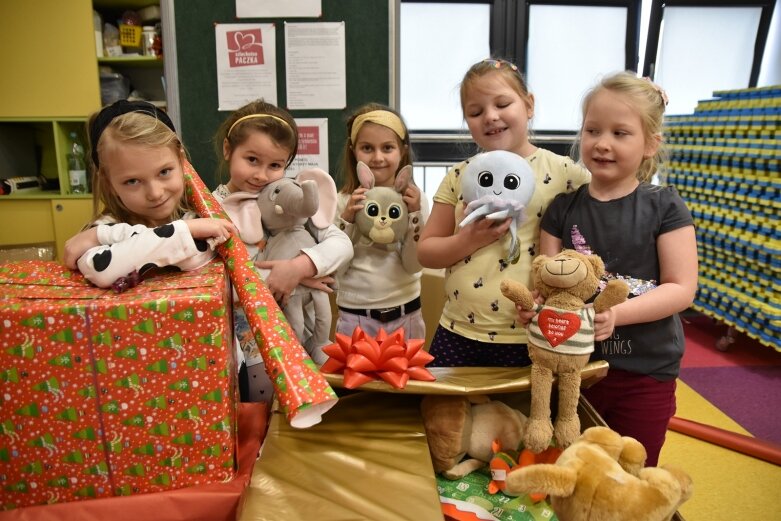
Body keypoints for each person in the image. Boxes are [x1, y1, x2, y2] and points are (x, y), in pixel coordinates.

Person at [539, 71, 698, 465]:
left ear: (650, 145)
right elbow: (546, 282)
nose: (603, 143)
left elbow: (681, 288)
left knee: (632, 474)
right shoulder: (562, 208)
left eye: (620, 133)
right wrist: (537, 309)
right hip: (576, 371)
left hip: (645, 373)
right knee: (573, 470)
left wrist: (616, 314)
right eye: (593, 130)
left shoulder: (665, 206)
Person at [417, 58, 590, 367]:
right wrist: (468, 239)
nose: (490, 117)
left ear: (529, 105)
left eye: (502, 103)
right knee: (441, 412)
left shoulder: (565, 174)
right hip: (459, 329)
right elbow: (427, 253)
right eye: (475, 111)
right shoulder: (459, 175)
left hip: (533, 332)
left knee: (527, 414)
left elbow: (610, 198)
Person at [211, 99, 352, 402]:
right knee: (250, 422)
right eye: (252, 159)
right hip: (234, 347)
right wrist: (279, 279)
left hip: (296, 339)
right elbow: (211, 282)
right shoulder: (209, 212)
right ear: (228, 150)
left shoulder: (289, 200)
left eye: (275, 165)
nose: (262, 175)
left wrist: (300, 268)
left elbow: (341, 244)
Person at [63, 100, 237, 290]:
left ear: (181, 161)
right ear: (109, 183)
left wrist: (102, 236)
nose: (155, 193)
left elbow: (195, 257)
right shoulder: (105, 224)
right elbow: (101, 269)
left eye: (164, 172)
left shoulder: (196, 216)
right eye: (132, 181)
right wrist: (185, 231)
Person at [334, 103, 429, 339]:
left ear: (402, 151)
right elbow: (336, 269)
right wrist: (347, 221)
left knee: (407, 377)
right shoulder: (342, 201)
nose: (378, 157)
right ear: (353, 150)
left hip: (406, 315)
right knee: (356, 377)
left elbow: (413, 265)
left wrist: (414, 216)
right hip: (354, 317)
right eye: (367, 148)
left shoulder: (416, 200)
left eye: (387, 148)